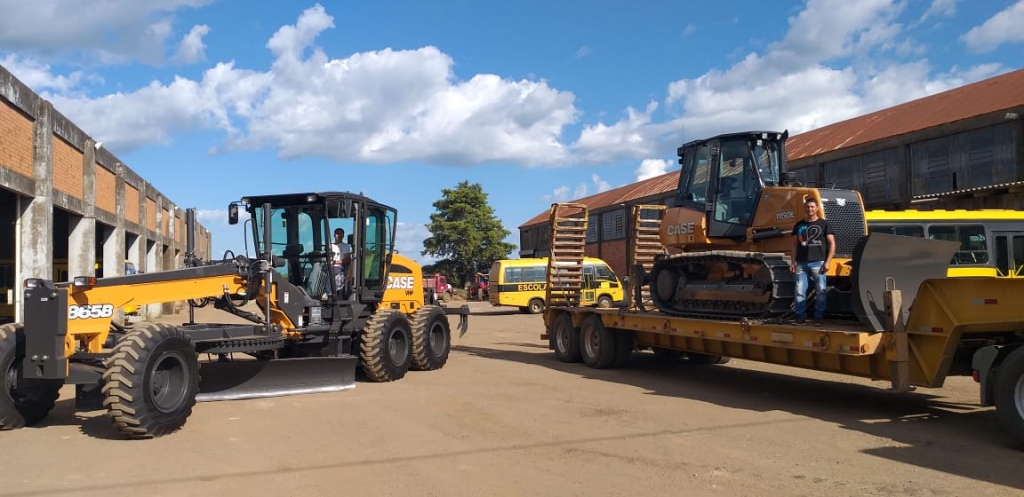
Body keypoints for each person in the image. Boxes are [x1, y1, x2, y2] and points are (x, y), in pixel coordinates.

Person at [789, 198, 835, 325]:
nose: (810, 209)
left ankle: (818, 317)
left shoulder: (824, 224)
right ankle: (800, 317)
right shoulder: (798, 225)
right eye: (808, 207)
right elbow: (793, 245)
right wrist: (793, 262)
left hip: (818, 263)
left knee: (821, 291)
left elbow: (832, 244)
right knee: (799, 291)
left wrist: (828, 261)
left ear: (817, 208)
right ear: (804, 208)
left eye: (812, 207)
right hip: (801, 263)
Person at [331, 228, 352, 295]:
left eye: (340, 234)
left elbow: (347, 259)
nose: (338, 235)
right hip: (329, 267)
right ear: (334, 235)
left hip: (339, 267)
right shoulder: (330, 246)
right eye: (337, 234)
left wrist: (335, 262)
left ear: (343, 235)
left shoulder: (345, 246)